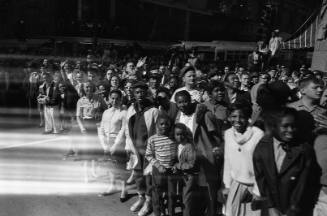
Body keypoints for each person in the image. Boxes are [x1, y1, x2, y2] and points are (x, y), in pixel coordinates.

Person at [253, 107, 320, 216]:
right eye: (285, 126)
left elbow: (303, 185)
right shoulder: (263, 147)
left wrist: (292, 210)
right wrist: (271, 206)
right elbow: (261, 179)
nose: (290, 130)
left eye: (293, 126)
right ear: (274, 126)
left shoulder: (304, 150)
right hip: (271, 210)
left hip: (295, 210)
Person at [174, 90, 223, 216]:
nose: (182, 105)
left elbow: (215, 135)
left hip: (204, 157)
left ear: (190, 100)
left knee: (208, 189)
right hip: (188, 159)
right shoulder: (179, 116)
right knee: (189, 191)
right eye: (179, 102)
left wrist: (216, 151)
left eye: (185, 101)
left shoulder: (203, 114)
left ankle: (211, 212)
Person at [223, 103, 264, 216]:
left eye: (242, 116)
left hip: (255, 186)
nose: (238, 120)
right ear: (229, 117)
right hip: (236, 185)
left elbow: (261, 165)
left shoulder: (258, 134)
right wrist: (227, 185)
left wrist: (257, 191)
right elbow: (228, 161)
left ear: (247, 117)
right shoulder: (228, 134)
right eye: (234, 116)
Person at [125, 81, 159, 216]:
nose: (140, 95)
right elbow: (127, 128)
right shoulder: (131, 109)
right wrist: (128, 145)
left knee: (148, 177)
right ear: (133, 93)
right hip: (135, 148)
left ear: (147, 93)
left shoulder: (153, 110)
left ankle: (148, 202)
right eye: (137, 92)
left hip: (148, 150)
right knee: (138, 175)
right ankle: (141, 198)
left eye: (142, 92)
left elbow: (157, 132)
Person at [145, 113, 178, 216]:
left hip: (171, 171)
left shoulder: (174, 138)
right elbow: (148, 155)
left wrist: (176, 164)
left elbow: (178, 153)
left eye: (167, 124)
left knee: (171, 194)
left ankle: (171, 212)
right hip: (158, 170)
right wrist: (158, 166)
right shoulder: (153, 139)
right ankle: (158, 212)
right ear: (157, 125)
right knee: (157, 194)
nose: (164, 126)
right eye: (161, 124)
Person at [98, 89, 127, 195]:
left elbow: (123, 130)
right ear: (109, 99)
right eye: (112, 98)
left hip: (118, 142)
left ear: (121, 99)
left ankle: (124, 189)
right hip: (107, 141)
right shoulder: (106, 112)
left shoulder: (124, 112)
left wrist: (115, 145)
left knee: (120, 166)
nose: (114, 101)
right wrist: (104, 145)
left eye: (117, 99)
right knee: (110, 166)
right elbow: (101, 128)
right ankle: (112, 185)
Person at [172, 123, 198, 216]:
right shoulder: (177, 145)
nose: (180, 137)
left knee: (186, 200)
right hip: (181, 177)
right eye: (177, 134)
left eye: (182, 134)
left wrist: (178, 165)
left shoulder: (189, 147)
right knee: (181, 198)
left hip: (188, 178)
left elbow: (192, 164)